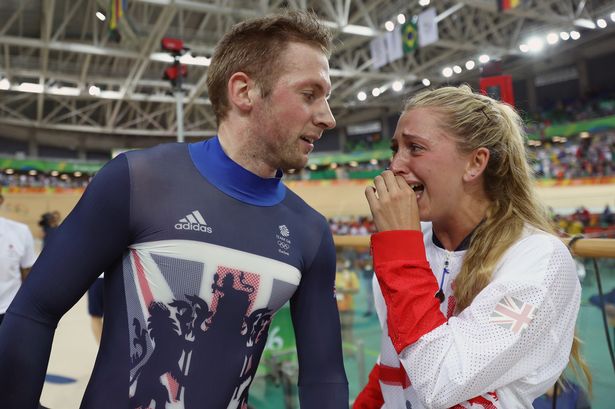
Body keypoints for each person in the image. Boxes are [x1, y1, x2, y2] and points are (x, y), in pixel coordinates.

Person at [0, 10, 348, 408]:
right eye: (310, 94)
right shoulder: (137, 182)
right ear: (244, 92)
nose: (328, 117)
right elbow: (34, 311)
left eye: (327, 98)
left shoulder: (311, 231)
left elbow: (324, 377)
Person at [353, 85, 590, 408]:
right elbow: (394, 363)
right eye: (395, 149)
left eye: (415, 148)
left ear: (475, 163)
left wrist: (400, 250)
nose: (395, 165)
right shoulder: (410, 244)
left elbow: (442, 382)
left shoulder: (538, 258)